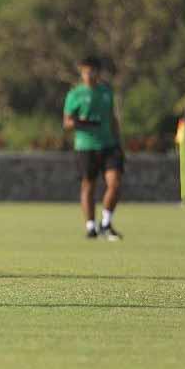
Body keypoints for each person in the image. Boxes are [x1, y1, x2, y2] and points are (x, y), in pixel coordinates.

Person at [63, 56, 124, 241]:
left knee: (115, 184)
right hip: (86, 146)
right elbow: (67, 123)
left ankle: (106, 222)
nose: (89, 74)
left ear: (98, 72)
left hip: (109, 145)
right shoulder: (75, 94)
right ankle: (91, 226)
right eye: (85, 71)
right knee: (88, 185)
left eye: (92, 71)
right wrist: (85, 123)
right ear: (81, 72)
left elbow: (112, 119)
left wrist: (119, 142)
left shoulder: (106, 92)